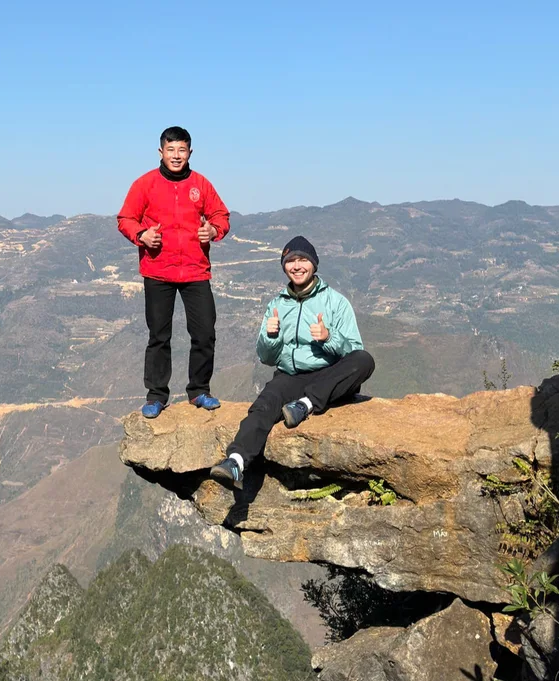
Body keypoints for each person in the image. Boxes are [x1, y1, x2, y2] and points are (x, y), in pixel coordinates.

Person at [210, 236, 374, 485]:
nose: (297, 266)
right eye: (290, 261)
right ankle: (235, 461)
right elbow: (266, 357)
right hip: (290, 376)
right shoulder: (277, 305)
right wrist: (271, 337)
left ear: (314, 264)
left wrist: (328, 338)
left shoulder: (336, 302)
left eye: (303, 260)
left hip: (328, 375)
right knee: (263, 406)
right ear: (284, 266)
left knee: (364, 360)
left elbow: (354, 350)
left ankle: (305, 404)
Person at [118, 126, 231, 418]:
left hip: (195, 270)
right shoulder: (145, 184)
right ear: (161, 152)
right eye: (171, 150)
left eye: (182, 150)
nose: (176, 155)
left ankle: (199, 391)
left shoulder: (201, 184)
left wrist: (213, 230)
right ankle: (156, 395)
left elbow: (221, 215)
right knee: (159, 336)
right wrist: (141, 235)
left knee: (204, 333)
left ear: (190, 152)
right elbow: (126, 218)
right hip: (158, 270)